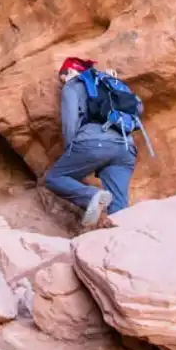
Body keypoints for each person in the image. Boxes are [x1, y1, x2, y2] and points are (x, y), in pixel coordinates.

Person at [44, 57, 141, 228]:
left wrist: (71, 150)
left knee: (54, 178)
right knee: (119, 205)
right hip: (126, 148)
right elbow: (138, 108)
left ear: (70, 72)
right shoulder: (111, 83)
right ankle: (120, 237)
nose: (63, 82)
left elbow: (70, 122)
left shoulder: (73, 85)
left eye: (63, 78)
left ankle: (93, 196)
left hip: (95, 142)